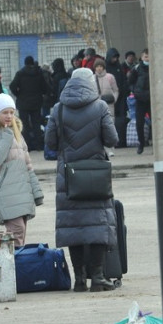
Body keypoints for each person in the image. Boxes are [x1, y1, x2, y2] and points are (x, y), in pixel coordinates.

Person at [44, 67, 119, 292]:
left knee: (73, 227)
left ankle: (79, 280)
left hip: (68, 176)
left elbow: (49, 142)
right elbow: (112, 139)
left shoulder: (58, 109)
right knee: (97, 224)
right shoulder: (100, 107)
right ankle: (97, 277)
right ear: (91, 84)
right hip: (95, 175)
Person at [0, 94, 44, 247]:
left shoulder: (17, 134)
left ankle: (18, 266)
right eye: (5, 112)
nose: (9, 116)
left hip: (22, 192)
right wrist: (6, 136)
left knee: (20, 233)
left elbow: (27, 165)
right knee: (16, 232)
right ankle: (14, 267)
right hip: (5, 193)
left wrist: (36, 191)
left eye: (11, 112)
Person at [9, 55, 49, 151]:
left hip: (23, 103)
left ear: (25, 63)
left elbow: (12, 86)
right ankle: (39, 145)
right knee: (36, 124)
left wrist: (18, 94)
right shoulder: (38, 73)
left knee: (24, 125)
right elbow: (45, 87)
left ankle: (27, 146)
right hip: (36, 103)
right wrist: (41, 93)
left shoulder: (20, 73)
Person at [106, 49, 130, 149]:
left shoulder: (118, 67)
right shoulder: (106, 67)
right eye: (113, 57)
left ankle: (122, 141)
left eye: (116, 57)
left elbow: (123, 79)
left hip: (121, 97)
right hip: (110, 98)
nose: (115, 59)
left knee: (121, 119)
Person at [129, 49, 151, 154]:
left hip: (152, 99)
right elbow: (130, 81)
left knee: (155, 123)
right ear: (142, 57)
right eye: (146, 56)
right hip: (140, 99)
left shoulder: (154, 68)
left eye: (149, 56)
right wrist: (135, 91)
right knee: (139, 123)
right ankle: (141, 144)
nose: (148, 58)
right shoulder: (137, 69)